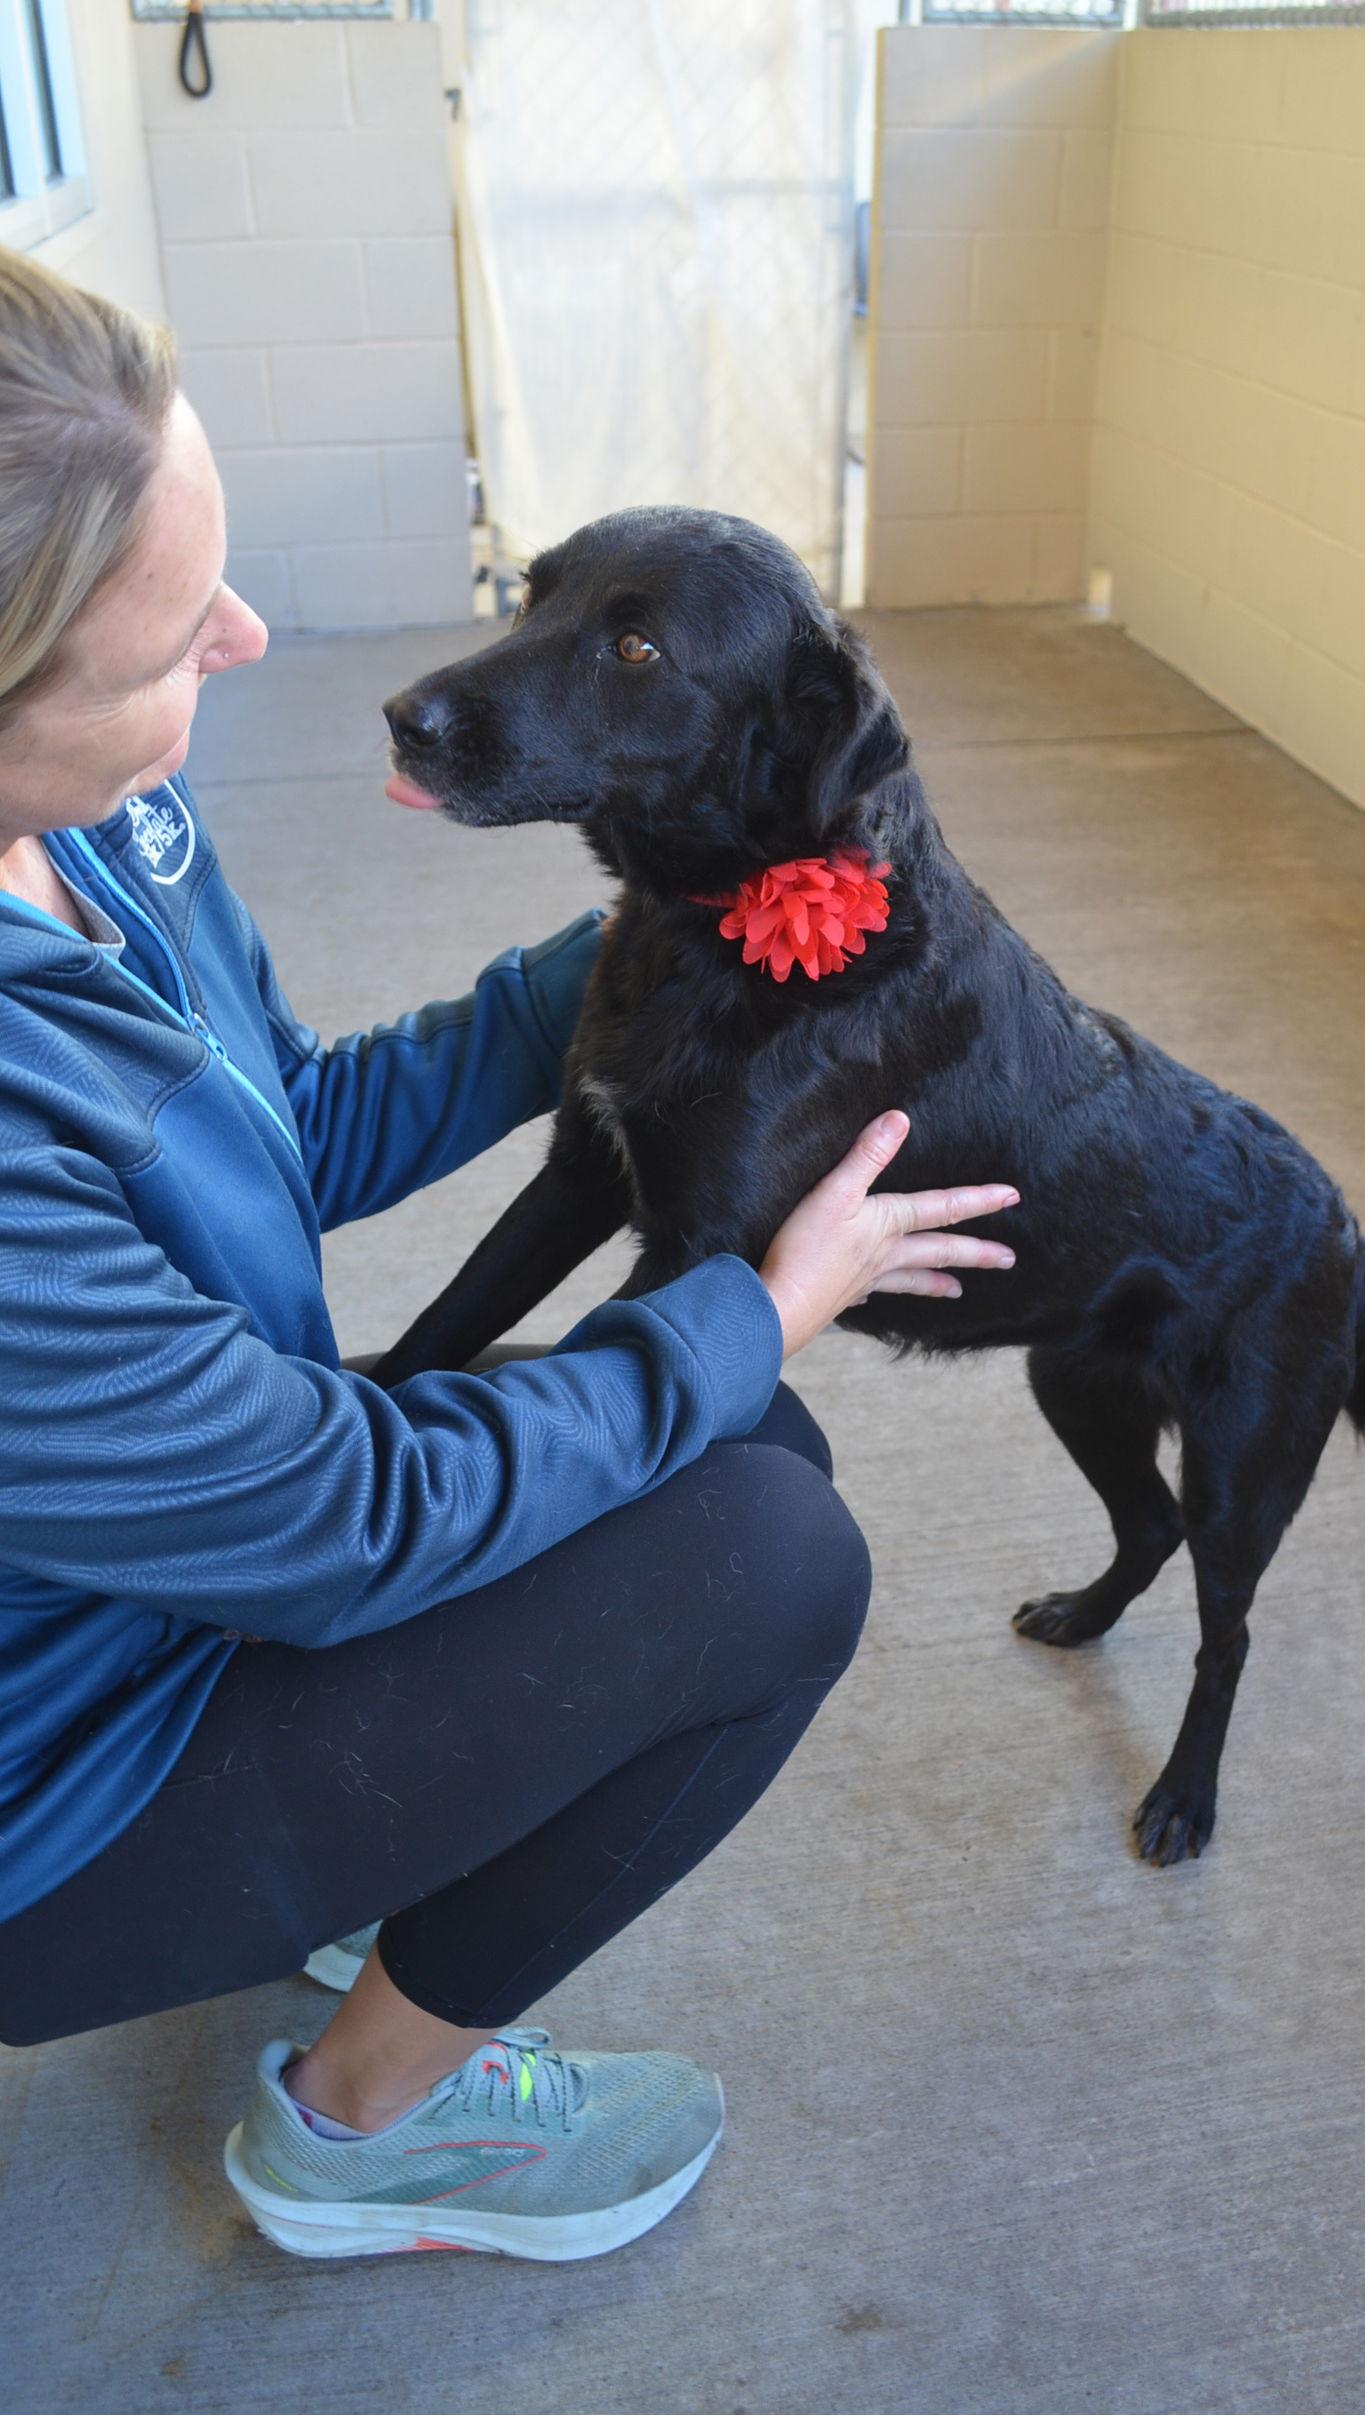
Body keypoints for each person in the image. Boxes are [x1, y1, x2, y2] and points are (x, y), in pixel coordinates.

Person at [0, 252, 1020, 2263]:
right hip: (55, 1779)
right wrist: (751, 1303)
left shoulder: (92, 818)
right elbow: (338, 1516)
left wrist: (705, 904)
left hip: (169, 1556)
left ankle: (374, 1891)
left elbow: (283, 1132)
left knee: (750, 1465)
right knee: (768, 1550)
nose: (249, 636)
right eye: (162, 648)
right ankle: (361, 2128)